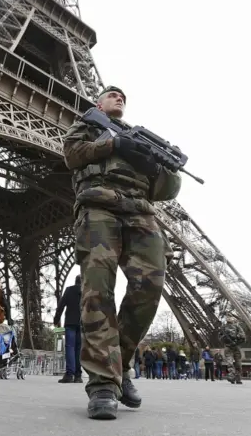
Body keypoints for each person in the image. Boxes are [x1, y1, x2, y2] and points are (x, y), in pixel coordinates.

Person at [63, 85, 182, 420]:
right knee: (98, 289)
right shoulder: (88, 125)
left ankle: (121, 365)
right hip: (99, 207)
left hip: (141, 213)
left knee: (150, 287)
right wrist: (114, 144)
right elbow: (72, 156)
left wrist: (160, 166)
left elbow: (166, 191)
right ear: (99, 103)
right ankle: (102, 382)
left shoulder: (141, 139)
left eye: (123, 98)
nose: (119, 99)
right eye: (112, 95)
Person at [53, 275, 83, 383]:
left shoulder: (69, 290)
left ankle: (70, 374)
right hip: (82, 323)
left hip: (70, 322)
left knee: (70, 347)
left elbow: (61, 305)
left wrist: (56, 319)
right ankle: (78, 376)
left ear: (75, 281)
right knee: (79, 349)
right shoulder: (86, 291)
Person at [219, 315, 245, 384]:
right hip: (228, 347)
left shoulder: (237, 326)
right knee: (230, 363)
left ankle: (237, 378)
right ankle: (232, 376)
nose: (229, 319)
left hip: (236, 346)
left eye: (230, 317)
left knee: (238, 364)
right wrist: (225, 338)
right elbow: (220, 337)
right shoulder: (223, 327)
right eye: (228, 317)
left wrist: (237, 339)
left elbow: (243, 336)